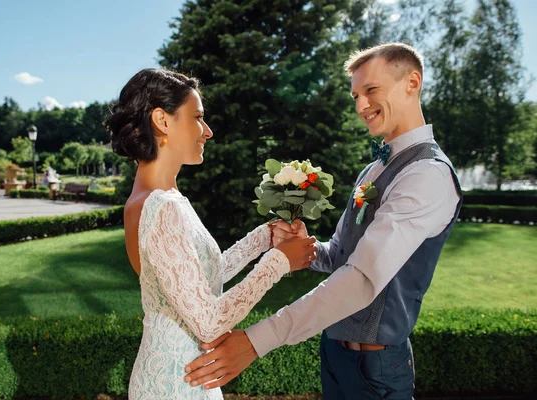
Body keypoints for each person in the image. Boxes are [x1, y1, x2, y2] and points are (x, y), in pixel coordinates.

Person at [184, 42, 462, 399]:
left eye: (371, 90)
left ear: (412, 83)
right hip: (335, 353)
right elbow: (341, 254)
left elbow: (361, 279)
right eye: (355, 96)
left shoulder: (427, 175)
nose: (361, 106)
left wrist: (256, 341)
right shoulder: (375, 168)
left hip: (377, 369)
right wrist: (307, 248)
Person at [103, 68, 318, 400]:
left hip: (185, 375)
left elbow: (198, 279)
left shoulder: (158, 199)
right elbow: (207, 322)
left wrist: (264, 239)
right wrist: (278, 263)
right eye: (198, 118)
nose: (208, 131)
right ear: (162, 120)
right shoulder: (161, 206)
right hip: (176, 383)